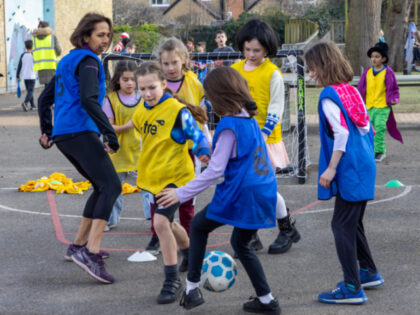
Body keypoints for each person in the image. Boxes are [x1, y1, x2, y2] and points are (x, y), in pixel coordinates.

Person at [156, 67, 281, 314]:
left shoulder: (228, 124)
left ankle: (191, 289)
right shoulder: (249, 119)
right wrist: (213, 155)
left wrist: (181, 193)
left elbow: (214, 173)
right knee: (241, 244)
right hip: (264, 188)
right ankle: (267, 300)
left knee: (199, 226)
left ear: (218, 95)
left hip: (242, 193)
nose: (208, 101)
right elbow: (239, 154)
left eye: (209, 96)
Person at [116, 61, 210, 304]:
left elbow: (196, 134)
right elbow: (134, 129)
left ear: (164, 85)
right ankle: (190, 254)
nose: (147, 93)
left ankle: (172, 280)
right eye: (142, 89)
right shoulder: (141, 110)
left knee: (159, 223)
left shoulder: (177, 111)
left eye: (152, 88)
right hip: (153, 178)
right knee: (167, 222)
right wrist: (110, 139)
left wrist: (202, 151)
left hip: (175, 178)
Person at [38, 13, 121, 284]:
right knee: (111, 186)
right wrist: (109, 132)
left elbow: (43, 99)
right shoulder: (89, 61)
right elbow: (88, 99)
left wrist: (47, 130)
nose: (105, 40)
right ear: (85, 36)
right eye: (100, 35)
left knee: (100, 186)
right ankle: (90, 252)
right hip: (79, 131)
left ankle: (78, 245)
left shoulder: (66, 61)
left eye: (108, 35)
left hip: (65, 134)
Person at [305, 41, 384, 305]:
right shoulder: (350, 91)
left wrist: (330, 168)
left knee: (340, 226)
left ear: (323, 66)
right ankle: (368, 272)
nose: (311, 73)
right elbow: (367, 130)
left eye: (313, 68)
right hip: (364, 164)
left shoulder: (329, 96)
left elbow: (341, 133)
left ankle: (352, 287)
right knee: (353, 223)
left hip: (349, 167)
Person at [232, 19, 300, 254]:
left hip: (264, 141)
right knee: (246, 187)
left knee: (264, 188)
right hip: (241, 140)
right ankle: (252, 235)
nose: (251, 54)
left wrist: (261, 135)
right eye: (247, 49)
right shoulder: (235, 70)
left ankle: (287, 228)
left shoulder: (273, 73)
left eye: (257, 50)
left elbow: (276, 108)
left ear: (267, 49)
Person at [145, 37, 209, 265]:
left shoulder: (194, 83)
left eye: (174, 62)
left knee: (187, 197)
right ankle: (157, 234)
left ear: (184, 60)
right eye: (166, 64)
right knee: (158, 193)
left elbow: (201, 116)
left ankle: (189, 244)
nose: (170, 68)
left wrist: (203, 145)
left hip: (188, 151)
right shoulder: (156, 85)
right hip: (162, 152)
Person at [101, 60, 141, 231]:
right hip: (118, 151)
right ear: (118, 80)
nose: (130, 83)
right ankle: (110, 220)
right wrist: (128, 126)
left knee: (149, 188)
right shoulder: (111, 100)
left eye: (133, 79)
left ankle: (154, 218)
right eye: (126, 79)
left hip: (140, 151)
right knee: (114, 188)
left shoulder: (144, 97)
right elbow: (108, 127)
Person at [357, 41, 402, 162]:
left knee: (379, 129)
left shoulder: (388, 72)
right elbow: (360, 88)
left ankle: (380, 151)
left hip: (382, 107)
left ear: (383, 58)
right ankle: (369, 150)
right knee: (368, 130)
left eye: (377, 57)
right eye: (372, 57)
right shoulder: (367, 72)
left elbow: (394, 89)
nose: (374, 59)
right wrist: (357, 101)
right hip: (369, 107)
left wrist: (394, 99)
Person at [32, 21, 62, 86]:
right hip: (52, 66)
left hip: (41, 67)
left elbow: (32, 53)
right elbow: (59, 51)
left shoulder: (34, 39)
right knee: (53, 88)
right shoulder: (52, 37)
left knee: (46, 88)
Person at [16, 40, 36, 111]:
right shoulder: (34, 54)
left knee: (29, 91)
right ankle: (25, 102)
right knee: (30, 91)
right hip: (31, 76)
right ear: (32, 46)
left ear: (26, 47)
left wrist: (17, 76)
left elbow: (19, 66)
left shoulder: (23, 55)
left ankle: (33, 105)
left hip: (25, 77)